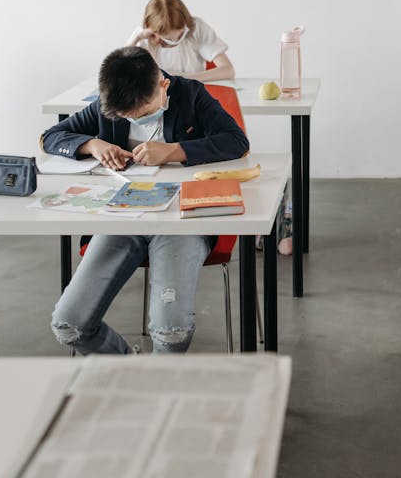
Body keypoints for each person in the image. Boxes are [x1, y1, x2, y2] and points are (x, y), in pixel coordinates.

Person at [40, 46, 249, 354]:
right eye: (127, 117)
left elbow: (237, 142)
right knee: (69, 325)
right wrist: (92, 144)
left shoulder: (191, 95)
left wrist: (175, 150)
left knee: (172, 332)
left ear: (163, 84)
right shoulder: (106, 106)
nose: (137, 120)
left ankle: (153, 390)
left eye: (145, 111)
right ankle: (136, 374)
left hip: (180, 219)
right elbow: (50, 137)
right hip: (123, 217)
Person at [126, 0, 235, 82]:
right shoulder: (145, 39)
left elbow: (228, 70)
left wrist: (185, 78)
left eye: (180, 35)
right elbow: (120, 77)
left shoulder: (196, 28)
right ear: (153, 32)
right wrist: (136, 38)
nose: (175, 41)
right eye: (168, 40)